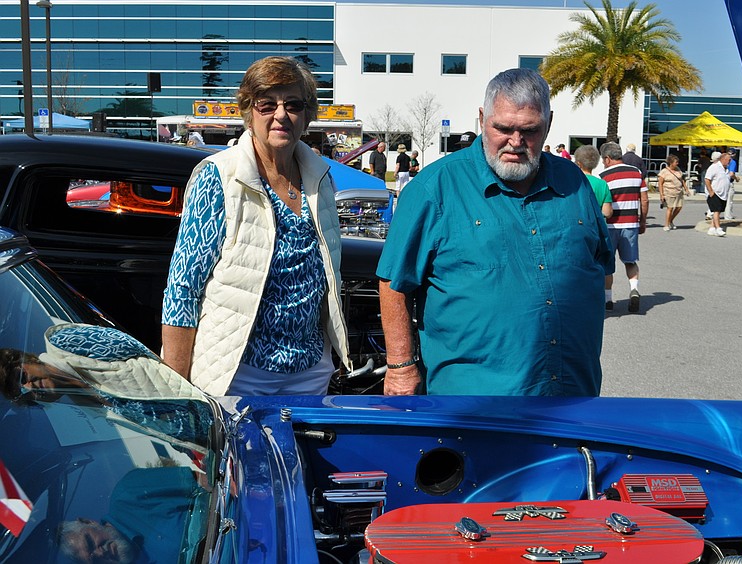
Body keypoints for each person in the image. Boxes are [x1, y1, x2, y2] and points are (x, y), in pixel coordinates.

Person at [377, 68, 614, 397]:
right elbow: (394, 282)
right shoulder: (434, 189)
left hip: (572, 394)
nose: (516, 143)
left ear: (549, 123)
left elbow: (600, 264)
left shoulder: (575, 184)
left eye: (530, 130)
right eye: (502, 128)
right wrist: (400, 366)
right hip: (473, 406)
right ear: (481, 118)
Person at [161, 56, 351, 396]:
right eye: (267, 104)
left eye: (293, 104)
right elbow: (182, 289)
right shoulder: (218, 177)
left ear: (307, 115)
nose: (281, 115)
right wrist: (178, 391)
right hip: (238, 374)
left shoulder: (320, 177)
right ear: (249, 112)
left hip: (310, 372)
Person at [59, 466, 206, 564]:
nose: (100, 553)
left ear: (88, 522)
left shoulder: (129, 492)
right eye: (93, 560)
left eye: (90, 542)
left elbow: (205, 483)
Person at [599, 142, 648, 313]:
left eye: (604, 160)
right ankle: (633, 289)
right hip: (631, 224)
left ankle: (608, 300)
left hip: (610, 225)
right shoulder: (636, 173)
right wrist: (643, 220)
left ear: (608, 158)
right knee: (630, 261)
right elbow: (645, 199)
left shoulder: (604, 176)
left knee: (607, 263)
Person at [573, 144, 613, 218]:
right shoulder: (602, 184)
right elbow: (607, 213)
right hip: (595, 226)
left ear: (579, 163)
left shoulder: (572, 182)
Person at [704, 150, 734, 237]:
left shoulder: (726, 169)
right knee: (716, 211)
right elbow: (707, 179)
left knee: (719, 210)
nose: (730, 161)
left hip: (723, 194)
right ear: (723, 159)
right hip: (714, 193)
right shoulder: (714, 167)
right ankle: (718, 228)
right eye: (728, 160)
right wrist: (711, 191)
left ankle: (712, 228)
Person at [657, 154, 688, 231]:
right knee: (670, 208)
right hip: (669, 192)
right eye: (676, 162)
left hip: (678, 192)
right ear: (671, 163)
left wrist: (686, 189)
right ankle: (666, 225)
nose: (677, 163)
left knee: (679, 207)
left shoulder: (678, 169)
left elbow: (682, 180)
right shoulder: (664, 171)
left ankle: (670, 220)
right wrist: (661, 194)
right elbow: (660, 183)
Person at [724, 149, 740, 220]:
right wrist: (736, 178)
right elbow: (731, 174)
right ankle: (728, 216)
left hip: (720, 182)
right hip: (729, 182)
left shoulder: (722, 161)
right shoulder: (732, 162)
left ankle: (710, 213)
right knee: (729, 201)